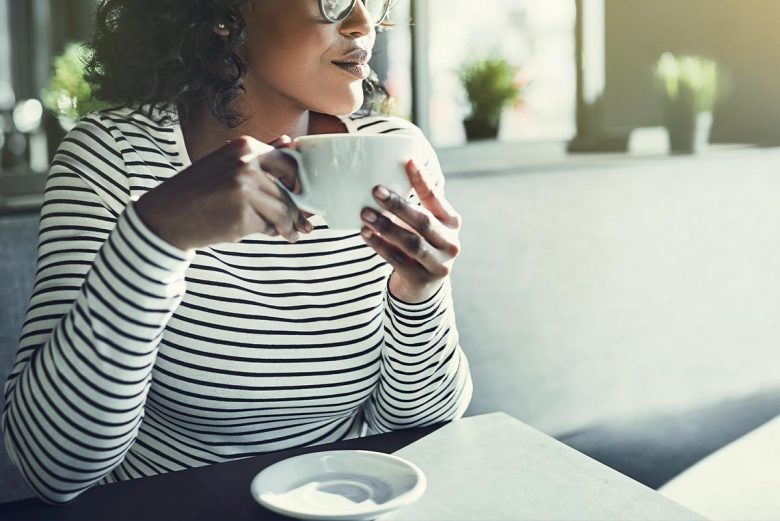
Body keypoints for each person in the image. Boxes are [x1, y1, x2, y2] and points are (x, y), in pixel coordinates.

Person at [2, 0, 472, 504]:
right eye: (331, 0)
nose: (364, 23)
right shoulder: (112, 158)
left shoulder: (394, 152)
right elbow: (50, 466)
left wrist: (418, 295)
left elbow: (418, 428)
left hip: (342, 503)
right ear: (227, 14)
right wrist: (155, 238)